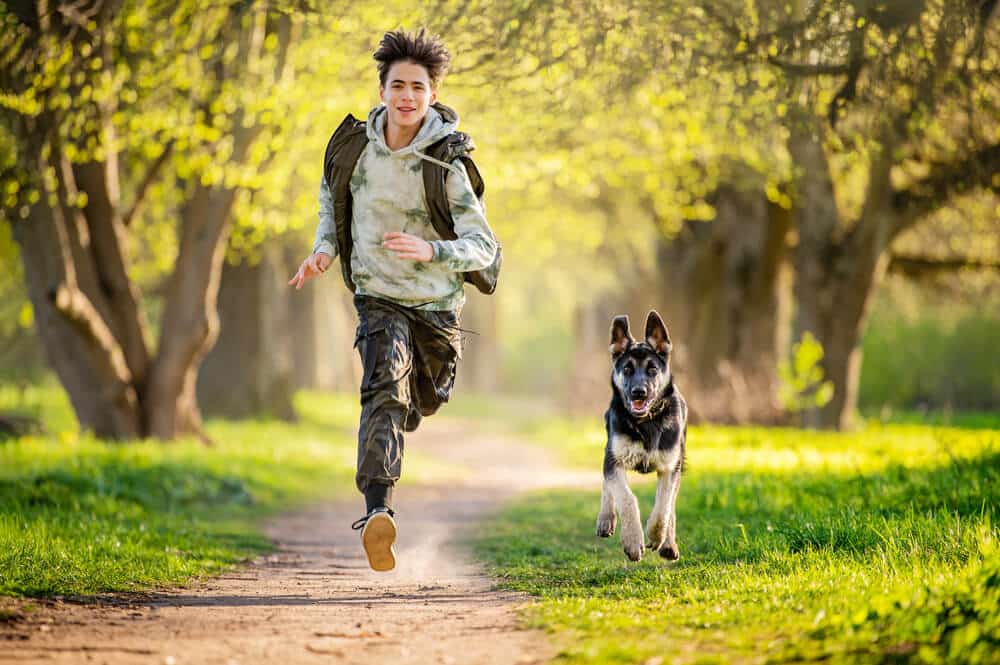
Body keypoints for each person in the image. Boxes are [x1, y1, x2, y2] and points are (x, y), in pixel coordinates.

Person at [288, 28, 498, 572]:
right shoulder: (355, 149)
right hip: (377, 295)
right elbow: (331, 199)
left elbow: (483, 246)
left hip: (437, 308)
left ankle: (413, 402)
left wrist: (430, 249)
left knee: (419, 400)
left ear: (432, 95)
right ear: (382, 90)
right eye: (397, 85)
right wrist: (324, 251)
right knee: (382, 387)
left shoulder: (446, 161)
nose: (407, 96)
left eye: (418, 88)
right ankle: (378, 508)